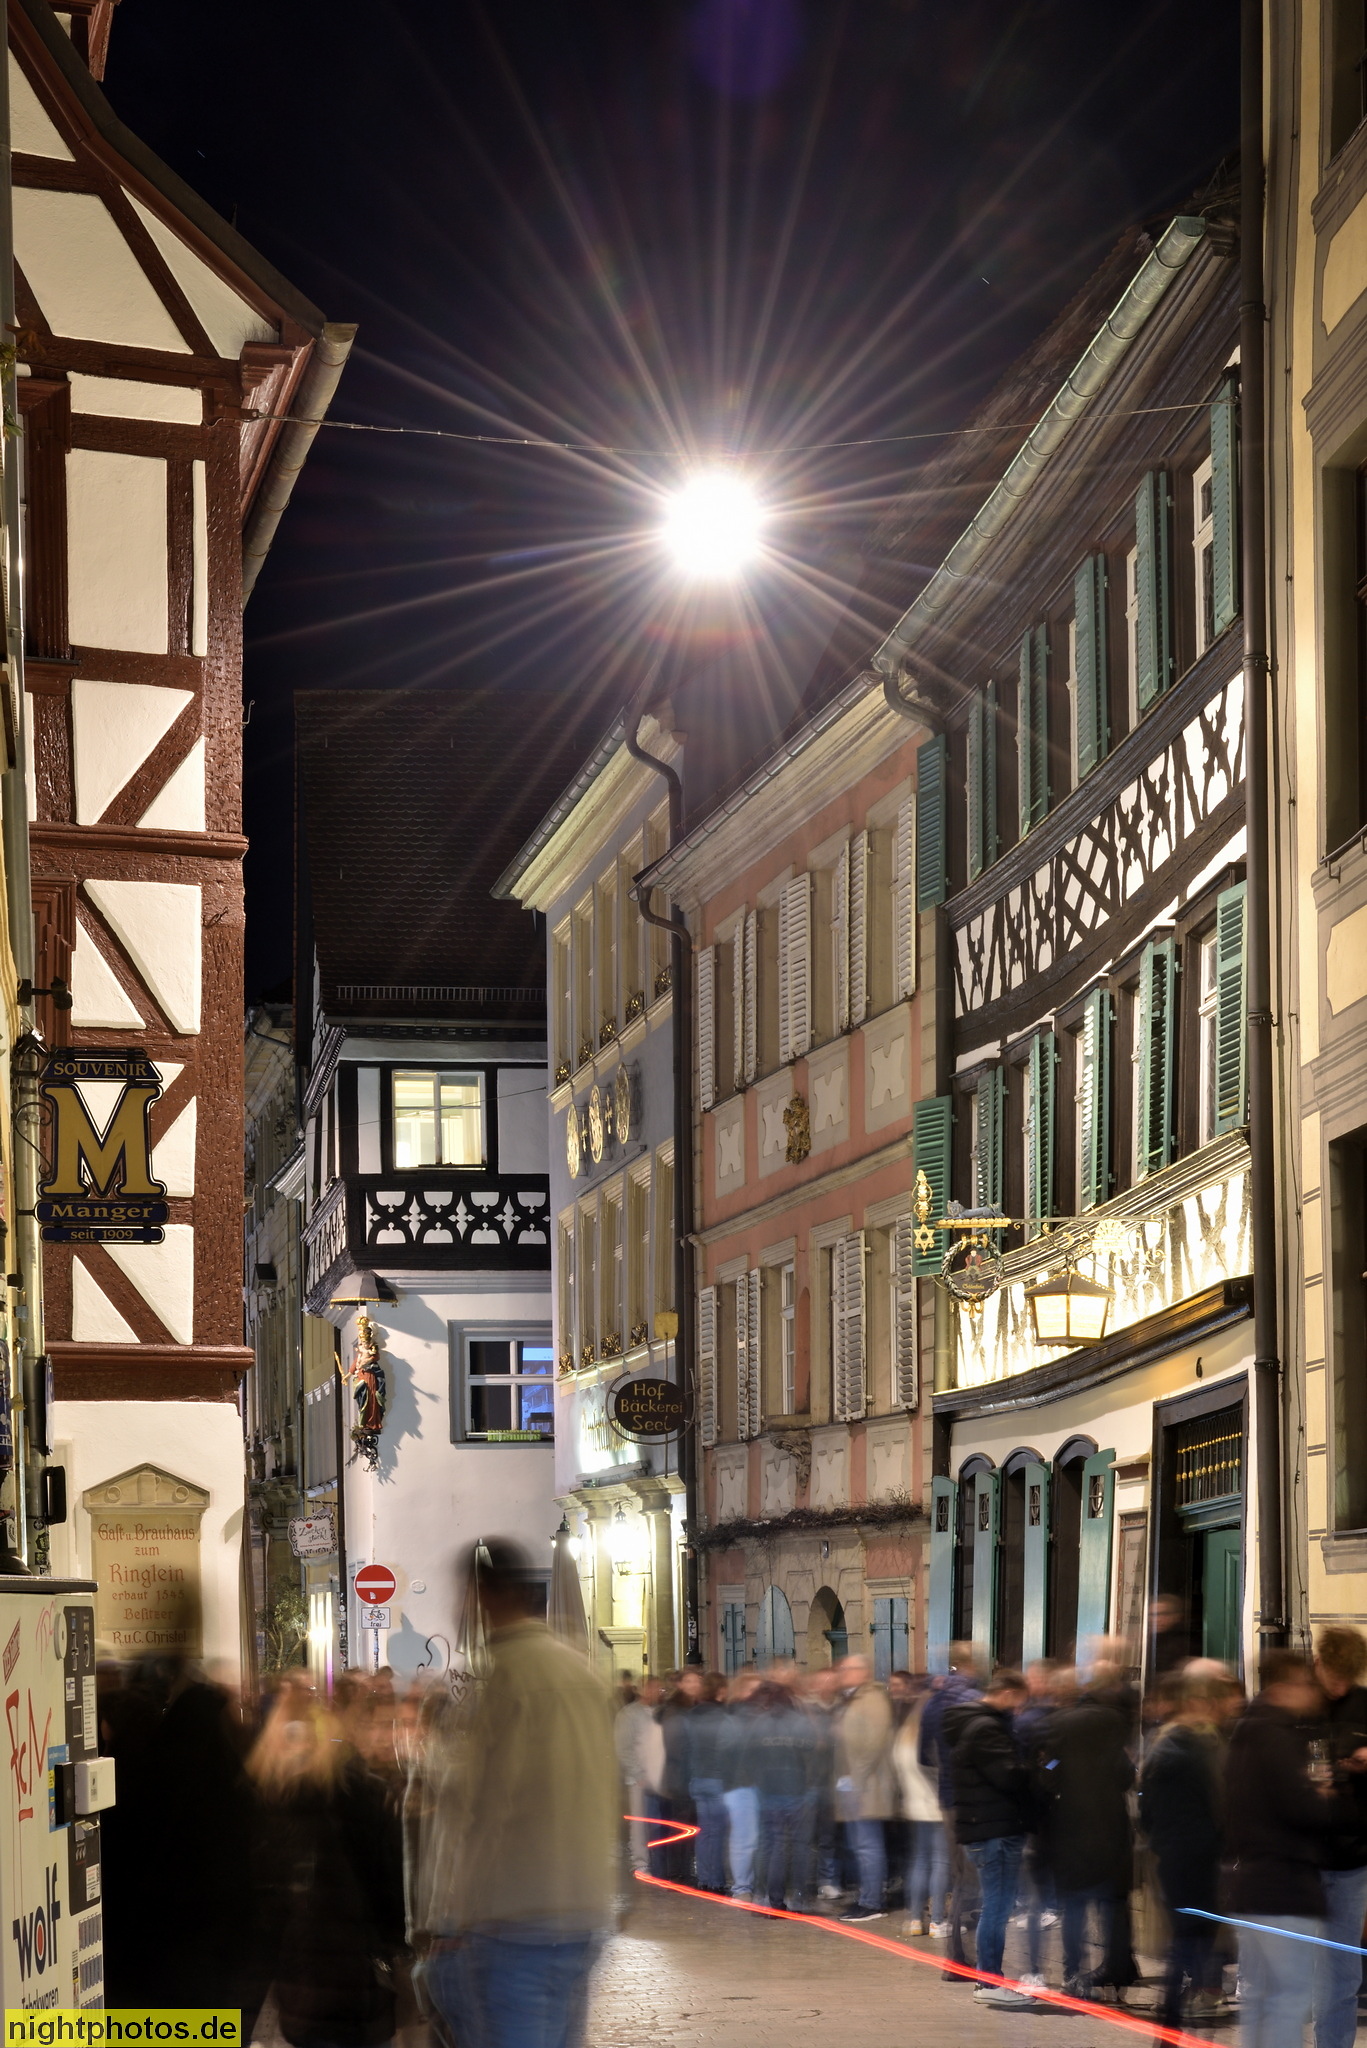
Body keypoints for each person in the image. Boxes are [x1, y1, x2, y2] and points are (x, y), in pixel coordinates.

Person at [420, 1538, 619, 2048]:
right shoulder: (581, 1671)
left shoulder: (500, 1676)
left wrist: (450, 1915)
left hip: (512, 1914)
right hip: (581, 1909)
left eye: (463, 1594)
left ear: (485, 1594)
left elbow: (482, 1805)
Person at [252, 1679, 407, 2048]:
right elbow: (390, 1887)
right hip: (356, 1975)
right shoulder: (365, 1794)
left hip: (306, 1979)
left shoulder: (268, 1804)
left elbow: (263, 1902)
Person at [1225, 1649, 1331, 2048]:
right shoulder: (1279, 1738)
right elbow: (1300, 1810)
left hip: (1251, 1883)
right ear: (1286, 1687)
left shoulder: (1243, 1732)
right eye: (1306, 1685)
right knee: (1290, 1997)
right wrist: (1322, 1796)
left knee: (1262, 1998)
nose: (1313, 1694)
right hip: (1284, 1885)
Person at [1140, 1666, 1227, 2032]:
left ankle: (1174, 2017)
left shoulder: (1164, 1744)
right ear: (1194, 1703)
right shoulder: (1194, 1748)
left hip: (1175, 1854)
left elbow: (1146, 1808)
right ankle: (1176, 2016)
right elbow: (1217, 1804)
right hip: (1195, 1856)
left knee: (1187, 1937)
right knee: (1191, 1937)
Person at [1041, 1669, 1135, 2000]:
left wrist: (1055, 1775)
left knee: (1074, 1904)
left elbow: (1048, 1770)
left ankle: (1072, 1972)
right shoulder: (1115, 1721)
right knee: (1113, 1903)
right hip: (1110, 1824)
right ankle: (1117, 1970)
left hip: (1070, 1825)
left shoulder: (1059, 1722)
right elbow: (1125, 1775)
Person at [948, 1668, 1034, 2008]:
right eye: (1019, 1702)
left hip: (984, 1826)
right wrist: (1038, 1767)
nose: (1019, 1710)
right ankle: (989, 1980)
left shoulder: (971, 1723)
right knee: (997, 1908)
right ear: (1008, 1693)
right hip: (994, 1829)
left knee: (995, 1906)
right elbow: (1008, 1776)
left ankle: (989, 1979)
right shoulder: (986, 1727)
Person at [1312, 1626, 1367, 2048]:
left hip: (1350, 1856)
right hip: (1300, 1857)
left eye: (1348, 1678)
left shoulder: (1364, 1704)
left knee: (1341, 1971)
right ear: (1318, 1663)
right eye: (1335, 1677)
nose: (1341, 1687)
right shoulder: (1295, 1705)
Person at [923, 1643, 985, 1967]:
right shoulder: (977, 1702)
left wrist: (947, 1770)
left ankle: (957, 1955)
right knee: (980, 1875)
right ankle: (977, 1959)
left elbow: (923, 1753)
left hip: (948, 1796)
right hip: (977, 1800)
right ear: (971, 1665)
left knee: (960, 1875)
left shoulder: (934, 1703)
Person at [833, 1654, 895, 1921]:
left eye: (847, 1669)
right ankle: (865, 1897)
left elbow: (873, 1745)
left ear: (862, 1671)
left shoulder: (872, 1700)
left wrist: (856, 1781)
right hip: (852, 1783)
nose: (842, 1673)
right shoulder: (852, 1698)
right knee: (859, 1846)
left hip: (867, 1785)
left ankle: (872, 1902)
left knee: (868, 1846)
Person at [752, 1677, 818, 1909]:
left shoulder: (760, 1722)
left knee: (772, 1844)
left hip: (768, 1790)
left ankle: (769, 1897)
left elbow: (751, 1753)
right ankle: (795, 1897)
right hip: (795, 1789)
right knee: (799, 1845)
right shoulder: (799, 1722)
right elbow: (812, 1747)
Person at [892, 1674, 947, 1937]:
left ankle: (915, 1920)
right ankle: (937, 1921)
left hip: (913, 1807)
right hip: (937, 1807)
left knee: (919, 1862)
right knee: (940, 1862)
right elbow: (939, 1771)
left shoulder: (903, 1736)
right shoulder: (931, 1737)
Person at [685, 1672, 732, 1892]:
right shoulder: (725, 1716)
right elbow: (728, 1750)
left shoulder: (691, 1714)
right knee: (718, 1832)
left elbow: (687, 1747)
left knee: (704, 1830)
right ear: (721, 1690)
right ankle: (716, 1881)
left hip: (697, 1779)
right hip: (718, 1779)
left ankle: (703, 1878)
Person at [721, 1671, 762, 1899]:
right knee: (744, 1837)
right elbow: (726, 1753)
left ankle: (754, 1883)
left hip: (763, 1783)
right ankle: (742, 1886)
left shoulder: (765, 1716)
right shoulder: (731, 1718)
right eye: (752, 1689)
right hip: (740, 1784)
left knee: (759, 1837)